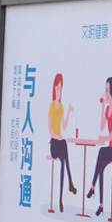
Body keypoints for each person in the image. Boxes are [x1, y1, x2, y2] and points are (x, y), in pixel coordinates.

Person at [87, 77, 112, 217]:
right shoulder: (108, 108)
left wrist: (104, 138)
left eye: (107, 90)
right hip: (109, 147)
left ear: (111, 91)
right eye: (105, 90)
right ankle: (100, 204)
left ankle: (93, 186)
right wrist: (102, 107)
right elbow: (102, 126)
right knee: (100, 167)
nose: (105, 93)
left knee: (101, 152)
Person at [48, 74, 76, 212]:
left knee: (64, 161)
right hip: (54, 144)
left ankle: (61, 196)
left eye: (61, 88)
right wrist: (57, 136)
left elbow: (64, 125)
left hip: (60, 142)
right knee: (64, 146)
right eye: (57, 88)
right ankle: (70, 182)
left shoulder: (61, 106)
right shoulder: (52, 106)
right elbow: (50, 129)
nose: (59, 91)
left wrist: (69, 112)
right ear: (54, 89)